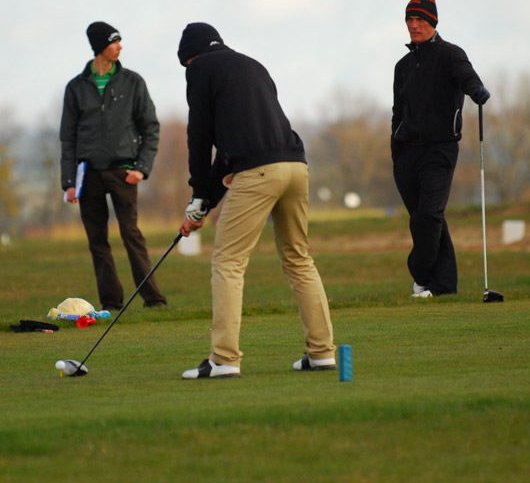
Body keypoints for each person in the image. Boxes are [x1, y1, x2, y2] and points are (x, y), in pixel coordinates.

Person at [176, 22, 336, 379]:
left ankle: (224, 359)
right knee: (298, 258)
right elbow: (230, 152)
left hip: (258, 172)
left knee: (228, 261)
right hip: (295, 166)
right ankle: (322, 353)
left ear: (190, 57)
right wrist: (204, 203)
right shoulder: (252, 65)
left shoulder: (200, 68)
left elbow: (199, 137)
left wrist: (199, 194)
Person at [59, 21, 167, 311]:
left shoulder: (133, 82)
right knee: (97, 241)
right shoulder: (75, 88)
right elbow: (67, 139)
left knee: (131, 234)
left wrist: (142, 167)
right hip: (88, 174)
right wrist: (69, 182)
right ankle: (111, 304)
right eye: (114, 41)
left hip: (124, 172)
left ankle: (154, 300)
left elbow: (150, 127)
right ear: (99, 47)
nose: (120, 46)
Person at [391, 0, 491, 298]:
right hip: (406, 153)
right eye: (409, 19)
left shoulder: (450, 54)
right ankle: (443, 286)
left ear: (432, 22)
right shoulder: (403, 66)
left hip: (440, 150)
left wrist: (477, 91)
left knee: (429, 215)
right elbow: (397, 112)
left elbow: (466, 76)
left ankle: (420, 274)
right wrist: (396, 148)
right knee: (425, 219)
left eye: (420, 19)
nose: (413, 25)